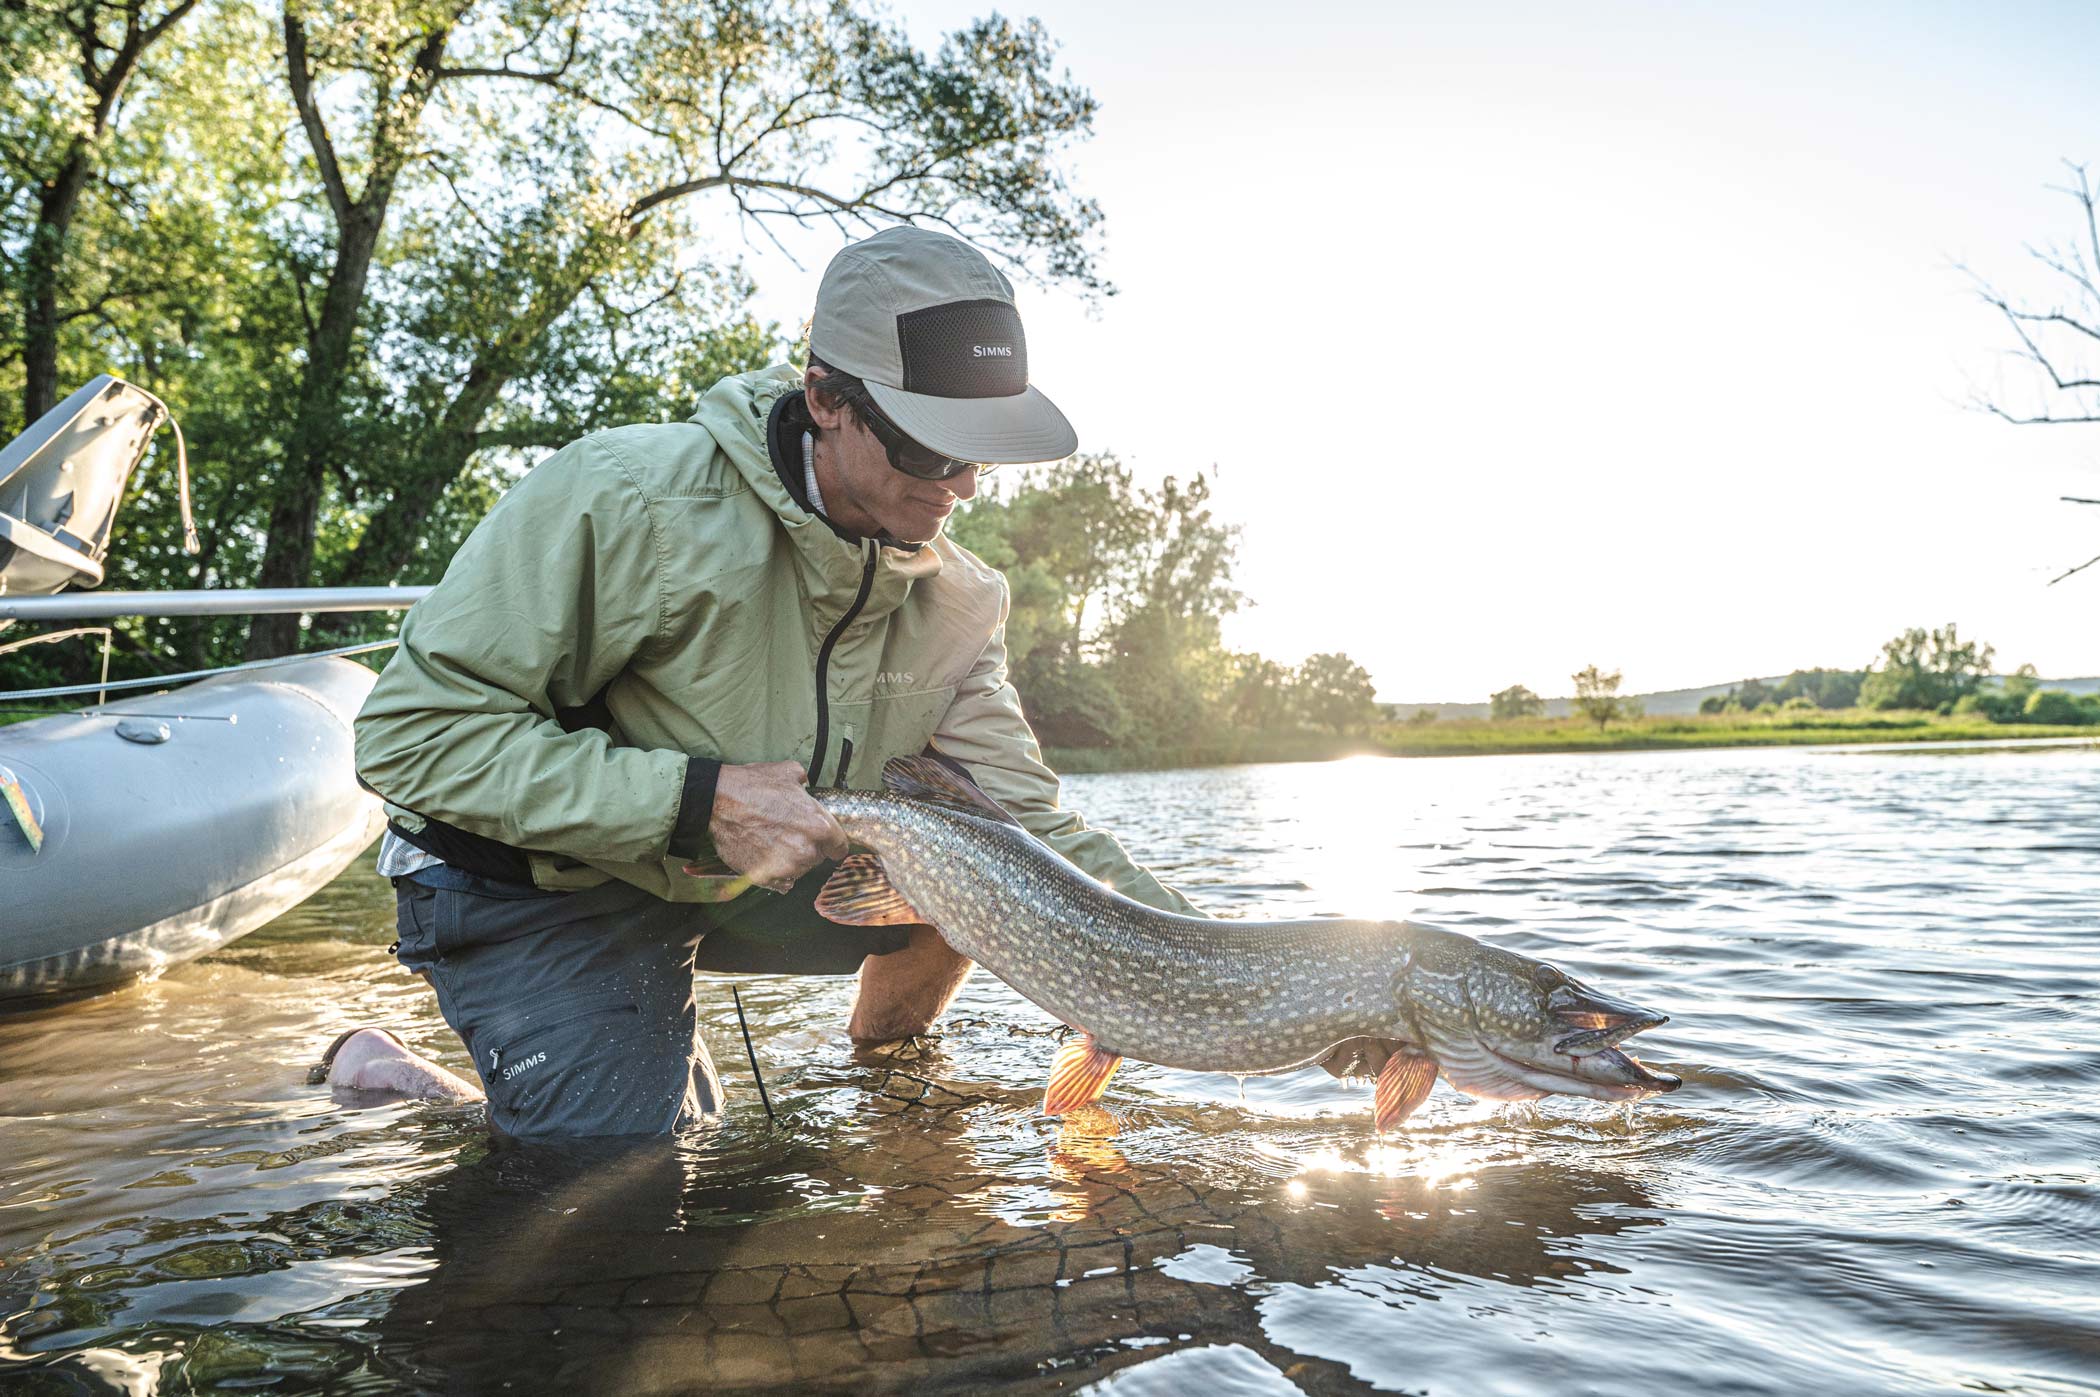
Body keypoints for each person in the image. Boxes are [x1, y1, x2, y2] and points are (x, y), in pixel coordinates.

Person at [341, 227, 1200, 1137]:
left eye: (981, 451)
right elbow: (409, 736)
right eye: (930, 448)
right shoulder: (628, 498)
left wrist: (1218, 959)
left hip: (723, 876)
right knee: (632, 1172)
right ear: (825, 398)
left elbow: (1029, 834)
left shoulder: (963, 600)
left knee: (971, 872)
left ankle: (886, 1094)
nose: (964, 486)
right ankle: (389, 1076)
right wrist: (699, 802)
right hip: (531, 880)